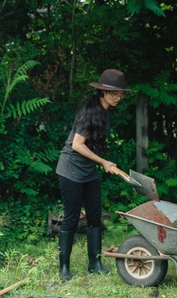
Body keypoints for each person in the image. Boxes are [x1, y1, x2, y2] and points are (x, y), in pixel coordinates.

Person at [55, 69, 131, 281]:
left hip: (88, 172)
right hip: (70, 170)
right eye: (114, 93)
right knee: (71, 218)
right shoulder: (89, 112)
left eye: (121, 94)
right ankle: (64, 269)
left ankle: (94, 263)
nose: (118, 97)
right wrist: (103, 162)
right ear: (103, 92)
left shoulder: (105, 111)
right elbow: (78, 145)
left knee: (95, 216)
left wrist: (100, 161)